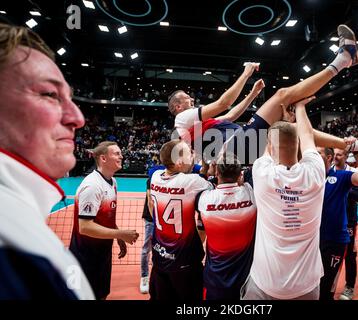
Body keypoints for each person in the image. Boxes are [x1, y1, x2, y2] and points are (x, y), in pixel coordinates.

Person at [170, 25, 358, 165]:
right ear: (178, 107)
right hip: (238, 145)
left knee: (295, 128)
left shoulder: (199, 126)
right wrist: (246, 74)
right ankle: (343, 59)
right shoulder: (182, 118)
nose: (191, 99)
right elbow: (224, 103)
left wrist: (253, 94)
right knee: (282, 95)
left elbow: (230, 116)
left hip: (243, 145)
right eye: (186, 98)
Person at [0, 23, 94, 299]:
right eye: (49, 94)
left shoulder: (21, 224)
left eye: (70, 98)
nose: (78, 118)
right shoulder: (17, 257)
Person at [242, 96, 326, 300]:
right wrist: (300, 107)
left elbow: (271, 141)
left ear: (270, 147)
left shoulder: (263, 173)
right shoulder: (315, 172)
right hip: (306, 286)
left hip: (265, 284)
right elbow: (306, 135)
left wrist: (282, 119)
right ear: (297, 144)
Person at [69, 141, 139, 300]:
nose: (121, 156)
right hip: (85, 256)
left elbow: (105, 217)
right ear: (103, 158)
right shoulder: (93, 186)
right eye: (116, 153)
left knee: (101, 294)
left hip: (102, 253)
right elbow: (85, 227)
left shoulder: (113, 182)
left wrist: (118, 236)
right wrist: (120, 233)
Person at [149, 140, 213, 301]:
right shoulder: (191, 182)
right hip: (185, 261)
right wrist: (207, 168)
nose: (192, 156)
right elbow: (212, 187)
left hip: (159, 255)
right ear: (178, 162)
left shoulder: (156, 177)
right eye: (189, 153)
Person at [195, 154, 257, 300]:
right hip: (246, 279)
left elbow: (201, 185)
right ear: (240, 175)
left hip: (214, 278)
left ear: (217, 173)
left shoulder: (204, 199)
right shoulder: (251, 193)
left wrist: (206, 172)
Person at [318, 148, 358, 300]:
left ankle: (349, 286)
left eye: (319, 152)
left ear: (328, 157)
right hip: (313, 239)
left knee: (326, 287)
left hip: (337, 236)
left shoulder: (341, 176)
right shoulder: (308, 177)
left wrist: (357, 153)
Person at [332, 152, 358, 300]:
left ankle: (349, 287)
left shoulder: (354, 172)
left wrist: (340, 185)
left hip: (348, 221)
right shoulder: (328, 170)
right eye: (335, 154)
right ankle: (326, 285)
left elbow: (357, 196)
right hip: (329, 219)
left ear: (345, 156)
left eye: (339, 154)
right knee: (326, 253)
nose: (336, 157)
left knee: (350, 255)